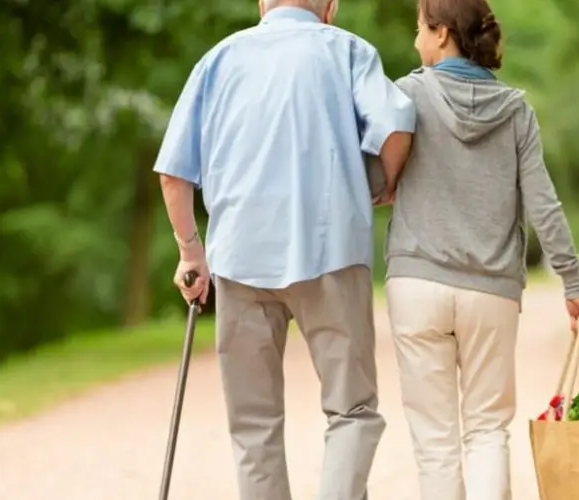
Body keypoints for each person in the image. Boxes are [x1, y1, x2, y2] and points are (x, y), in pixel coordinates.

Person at [153, 0, 415, 498]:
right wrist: (384, 183)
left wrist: (191, 252)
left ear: (261, 2)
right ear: (330, 6)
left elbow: (173, 174)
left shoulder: (218, 60)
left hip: (239, 262)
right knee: (352, 410)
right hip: (331, 251)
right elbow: (397, 124)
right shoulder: (349, 52)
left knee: (253, 425)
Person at [383, 0, 579, 498]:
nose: (416, 39)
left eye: (419, 28)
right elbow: (544, 205)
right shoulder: (516, 109)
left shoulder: (406, 95)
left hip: (417, 284)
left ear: (441, 34)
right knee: (486, 430)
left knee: (435, 441)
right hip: (491, 292)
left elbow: (376, 175)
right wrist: (572, 282)